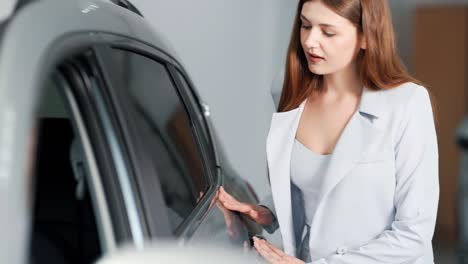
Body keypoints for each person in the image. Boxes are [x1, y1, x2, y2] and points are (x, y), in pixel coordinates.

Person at [218, 0, 439, 263]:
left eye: (328, 32)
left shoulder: (407, 102)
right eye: (305, 25)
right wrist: (267, 211)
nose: (310, 41)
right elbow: (313, 188)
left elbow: (414, 234)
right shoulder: (289, 88)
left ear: (366, 37)